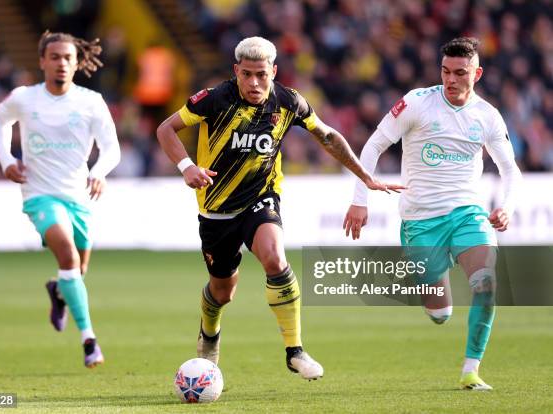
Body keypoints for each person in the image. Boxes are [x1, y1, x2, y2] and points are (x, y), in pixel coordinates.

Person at [157, 36, 403, 380]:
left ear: (273, 71)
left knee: (275, 257)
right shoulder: (214, 100)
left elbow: (328, 136)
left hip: (261, 198)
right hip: (216, 209)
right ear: (235, 72)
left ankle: (295, 350)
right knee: (222, 291)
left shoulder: (288, 102)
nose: (254, 83)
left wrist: (367, 177)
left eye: (261, 74)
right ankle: (209, 333)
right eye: (246, 75)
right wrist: (187, 167)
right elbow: (166, 128)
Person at [344, 37, 522, 390]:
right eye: (445, 71)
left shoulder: (486, 115)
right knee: (440, 314)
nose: (450, 79)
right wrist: (360, 198)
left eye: (460, 73)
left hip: (467, 213)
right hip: (420, 221)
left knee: (486, 284)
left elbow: (510, 169)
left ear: (477, 73)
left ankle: (471, 369)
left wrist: (507, 207)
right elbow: (374, 145)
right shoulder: (416, 103)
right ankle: (438, 301)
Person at [0, 31, 120, 368]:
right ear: (42, 62)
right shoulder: (25, 98)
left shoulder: (91, 102)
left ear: (77, 63)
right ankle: (89, 340)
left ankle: (59, 291)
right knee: (67, 256)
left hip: (78, 195)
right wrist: (6, 160)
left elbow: (112, 149)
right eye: (55, 57)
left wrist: (100, 171)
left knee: (79, 267)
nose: (61, 63)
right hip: (39, 194)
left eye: (67, 58)